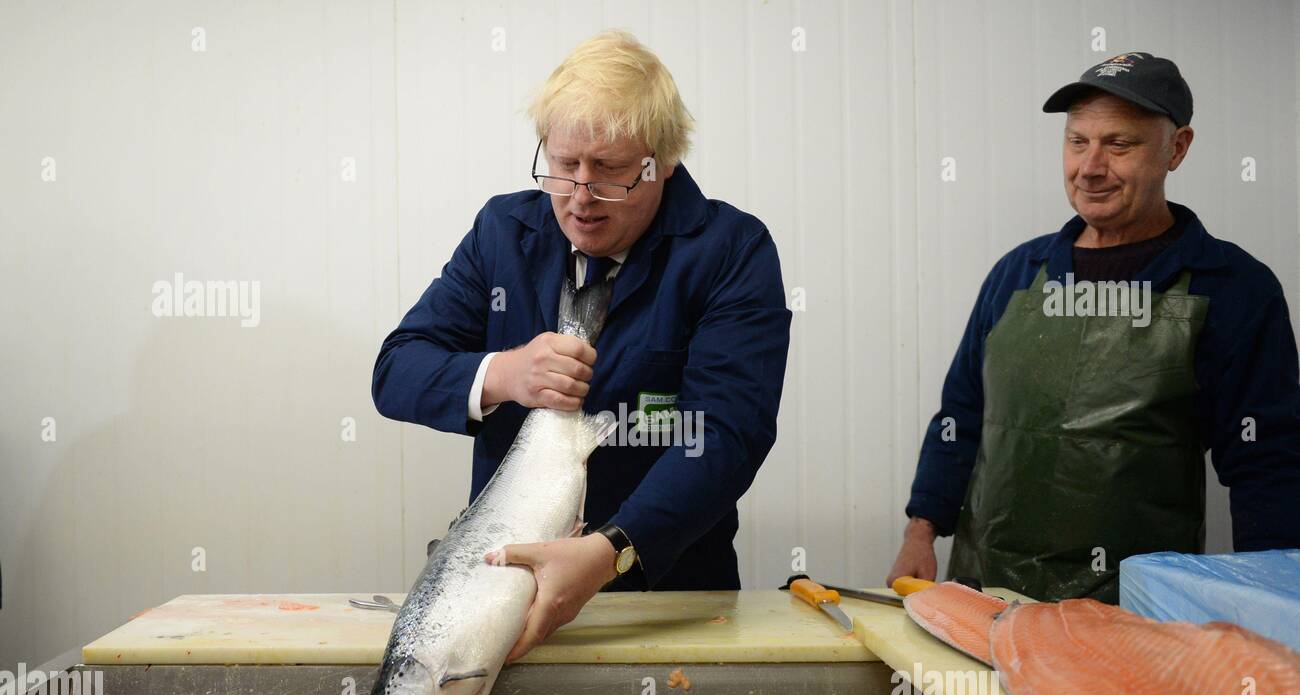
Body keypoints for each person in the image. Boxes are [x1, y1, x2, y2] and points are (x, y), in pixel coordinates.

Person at [372, 30, 791, 655]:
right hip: (507, 598)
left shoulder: (732, 252)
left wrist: (612, 551)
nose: (579, 193)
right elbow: (397, 369)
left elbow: (728, 434)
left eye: (611, 170)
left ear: (663, 162)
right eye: (564, 165)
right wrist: (504, 374)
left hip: (670, 602)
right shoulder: (500, 233)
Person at [889, 52, 1300, 603]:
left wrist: (1268, 608)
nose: (1090, 166)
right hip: (985, 599)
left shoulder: (1233, 288)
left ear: (1177, 148)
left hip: (1137, 614)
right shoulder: (1016, 276)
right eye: (1077, 141)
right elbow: (961, 416)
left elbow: (1267, 465)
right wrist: (921, 531)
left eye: (1119, 144)